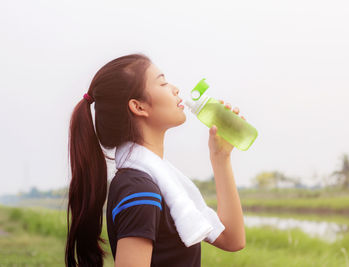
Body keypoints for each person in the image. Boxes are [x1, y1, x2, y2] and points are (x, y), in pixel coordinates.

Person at [65, 53, 246, 267]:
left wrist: (221, 158)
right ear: (138, 107)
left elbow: (233, 239)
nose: (175, 88)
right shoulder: (139, 190)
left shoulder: (156, 182)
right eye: (163, 82)